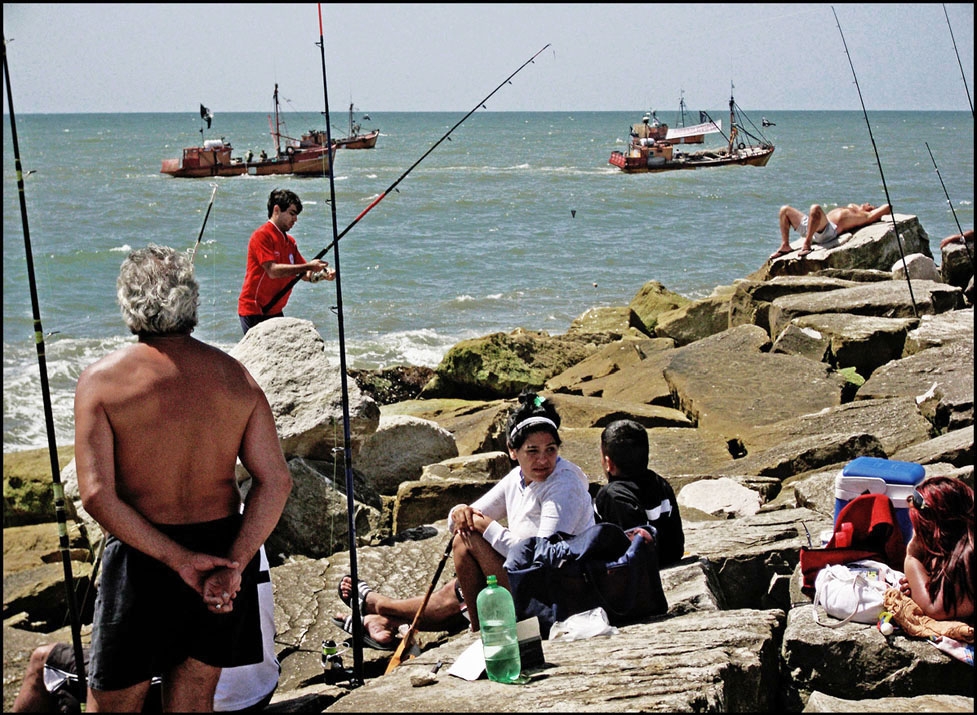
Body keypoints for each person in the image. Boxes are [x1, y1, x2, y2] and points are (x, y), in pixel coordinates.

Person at [74, 244, 293, 712]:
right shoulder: (236, 378)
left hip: (141, 553)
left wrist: (176, 560)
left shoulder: (101, 381)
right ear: (191, 301)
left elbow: (96, 495)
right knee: (194, 701)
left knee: (113, 705)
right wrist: (234, 563)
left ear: (128, 304)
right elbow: (275, 481)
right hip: (219, 555)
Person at [333, 389, 595, 645]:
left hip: (559, 592)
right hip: (530, 580)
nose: (543, 460)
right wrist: (459, 510)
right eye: (532, 451)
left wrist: (484, 525)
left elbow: (540, 558)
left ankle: (390, 610)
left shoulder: (564, 486)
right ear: (512, 451)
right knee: (458, 586)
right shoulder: (517, 478)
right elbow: (457, 521)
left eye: (551, 450)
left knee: (466, 544)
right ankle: (385, 617)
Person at [12, 547, 280, 713]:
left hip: (216, 700)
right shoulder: (243, 516)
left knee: (43, 662)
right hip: (260, 688)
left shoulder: (161, 535)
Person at [237, 188, 335, 334]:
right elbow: (272, 271)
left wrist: (323, 274)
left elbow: (305, 274)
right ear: (276, 210)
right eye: (292, 213)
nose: (295, 219)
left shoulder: (290, 242)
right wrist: (309, 265)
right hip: (254, 310)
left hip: (275, 310)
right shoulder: (262, 236)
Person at [592, 419, 685, 567]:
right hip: (669, 560)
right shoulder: (660, 483)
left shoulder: (612, 495)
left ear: (608, 463)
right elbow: (676, 544)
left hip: (637, 574)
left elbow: (627, 552)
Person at [899, 476, 974, 622]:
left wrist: (912, 558)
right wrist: (917, 583)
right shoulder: (956, 543)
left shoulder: (968, 554)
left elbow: (936, 609)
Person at [770, 202, 892, 260]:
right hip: (815, 226)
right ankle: (785, 245)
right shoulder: (852, 208)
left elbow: (887, 207)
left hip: (827, 231)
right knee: (784, 210)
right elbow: (852, 204)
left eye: (870, 204)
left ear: (871, 210)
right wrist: (858, 206)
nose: (867, 203)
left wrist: (870, 210)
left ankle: (807, 243)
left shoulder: (865, 216)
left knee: (815, 208)